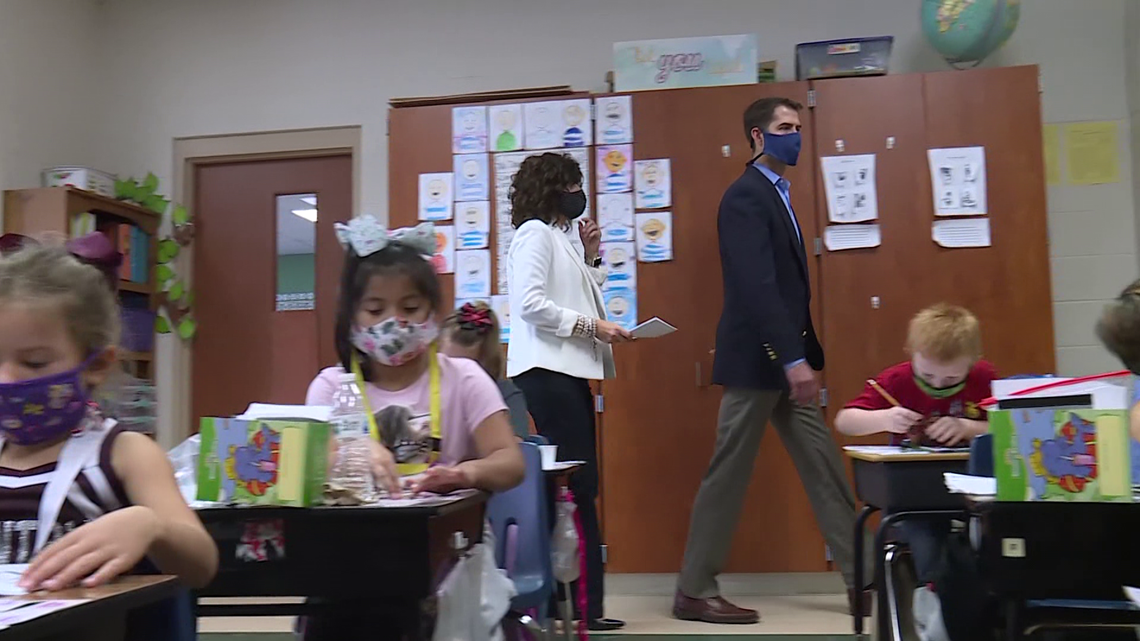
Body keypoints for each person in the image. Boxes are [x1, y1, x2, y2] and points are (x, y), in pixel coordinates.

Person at [675, 96, 868, 624]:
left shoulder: (777, 193)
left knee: (824, 467)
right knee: (729, 472)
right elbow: (756, 287)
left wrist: (797, 356)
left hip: (786, 362)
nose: (795, 135)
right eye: (784, 127)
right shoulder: (745, 197)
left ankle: (862, 579)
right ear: (757, 137)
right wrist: (791, 359)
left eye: (799, 126)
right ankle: (694, 588)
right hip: (760, 362)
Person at [301, 216, 525, 640]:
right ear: (350, 316)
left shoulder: (464, 378)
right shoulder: (332, 386)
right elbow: (310, 465)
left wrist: (464, 474)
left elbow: (510, 462)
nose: (393, 323)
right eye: (374, 309)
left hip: (449, 555)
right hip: (352, 563)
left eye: (409, 309)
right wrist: (352, 452)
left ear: (431, 314)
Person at [0, 243, 217, 594]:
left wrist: (150, 526)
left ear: (97, 365)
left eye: (35, 362)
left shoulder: (125, 452)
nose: (6, 380)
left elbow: (202, 565)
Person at [506, 152, 631, 632]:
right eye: (573, 184)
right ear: (553, 187)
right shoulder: (533, 234)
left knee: (580, 485)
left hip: (562, 370)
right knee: (577, 487)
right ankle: (579, 608)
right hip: (546, 370)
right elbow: (532, 304)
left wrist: (591, 255)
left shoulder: (558, 238)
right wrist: (593, 326)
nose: (579, 193)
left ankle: (583, 605)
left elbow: (578, 293)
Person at [835, 303, 996, 641]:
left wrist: (969, 427)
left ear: (973, 360)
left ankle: (984, 603)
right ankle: (932, 597)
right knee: (923, 525)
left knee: (994, 527)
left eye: (952, 379)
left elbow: (1011, 423)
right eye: (928, 377)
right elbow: (845, 420)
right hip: (915, 493)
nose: (939, 385)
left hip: (972, 489)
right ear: (913, 355)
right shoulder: (896, 380)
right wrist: (884, 419)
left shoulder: (985, 378)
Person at [441, 301, 530, 439]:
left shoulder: (505, 393)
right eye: (446, 363)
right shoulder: (427, 389)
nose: (455, 373)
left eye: (466, 367)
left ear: (485, 362)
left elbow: (514, 449)